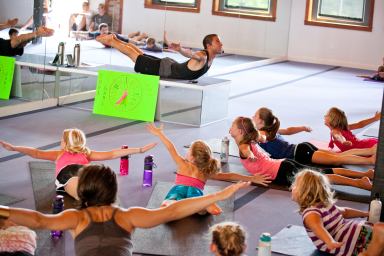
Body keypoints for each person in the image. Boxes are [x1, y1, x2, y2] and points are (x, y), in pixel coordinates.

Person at [0, 164, 250, 256]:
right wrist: (218, 195)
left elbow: (38, 220)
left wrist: (2, 210)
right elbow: (174, 211)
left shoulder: (76, 218)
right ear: (112, 191)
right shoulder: (128, 216)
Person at [146, 123, 270, 215]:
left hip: (178, 190)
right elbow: (230, 176)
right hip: (196, 194)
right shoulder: (205, 171)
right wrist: (252, 178)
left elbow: (170, 147)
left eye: (189, 150)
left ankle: (170, 204)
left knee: (169, 202)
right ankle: (206, 205)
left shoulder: (182, 164)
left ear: (193, 157)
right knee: (198, 201)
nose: (187, 151)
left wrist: (159, 133)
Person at [0, 128, 156, 200]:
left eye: (62, 139)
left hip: (84, 171)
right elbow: (36, 152)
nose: (60, 141)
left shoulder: (85, 153)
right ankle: (88, 200)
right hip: (67, 175)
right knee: (80, 193)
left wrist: (140, 150)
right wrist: (14, 148)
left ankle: (98, 195)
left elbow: (112, 153)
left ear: (68, 142)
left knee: (98, 174)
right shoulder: (60, 154)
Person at [229, 116, 374, 190]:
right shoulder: (253, 139)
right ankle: (363, 175)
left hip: (281, 171)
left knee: (322, 176)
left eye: (232, 126)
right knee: (323, 171)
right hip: (284, 164)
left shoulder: (244, 145)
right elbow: (260, 138)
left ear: (241, 131)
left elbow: (244, 150)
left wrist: (250, 155)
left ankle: (359, 182)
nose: (230, 128)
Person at [291, 169, 384, 256]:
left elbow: (345, 212)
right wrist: (330, 241)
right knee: (379, 238)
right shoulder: (311, 214)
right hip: (349, 243)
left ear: (305, 192)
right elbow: (318, 228)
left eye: (295, 186)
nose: (292, 187)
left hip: (357, 233)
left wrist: (365, 214)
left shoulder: (325, 205)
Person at [253, 107, 376, 165]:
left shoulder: (262, 134)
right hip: (301, 149)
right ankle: (370, 153)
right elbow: (289, 130)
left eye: (255, 116)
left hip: (300, 152)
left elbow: (339, 136)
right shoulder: (272, 130)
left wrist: (343, 142)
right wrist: (302, 128)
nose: (252, 117)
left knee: (337, 158)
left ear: (261, 122)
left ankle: (370, 158)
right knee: (337, 156)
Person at [96, 33, 223, 80]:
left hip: (168, 65)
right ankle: (112, 41)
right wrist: (180, 49)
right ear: (208, 45)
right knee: (135, 55)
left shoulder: (211, 58)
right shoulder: (203, 56)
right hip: (165, 68)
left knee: (140, 54)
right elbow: (191, 54)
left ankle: (114, 39)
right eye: (217, 41)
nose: (221, 43)